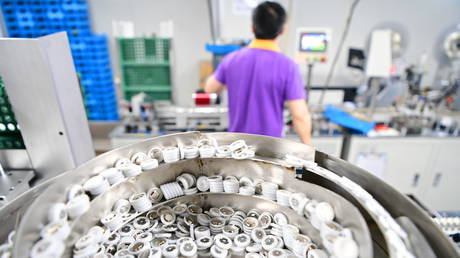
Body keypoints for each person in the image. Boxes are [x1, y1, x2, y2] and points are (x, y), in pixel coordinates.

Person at [205, 1, 312, 144]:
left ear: (252, 28)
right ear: (283, 30)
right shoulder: (288, 66)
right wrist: (309, 149)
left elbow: (210, 88)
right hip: (269, 149)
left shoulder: (231, 59)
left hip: (236, 147)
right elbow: (299, 116)